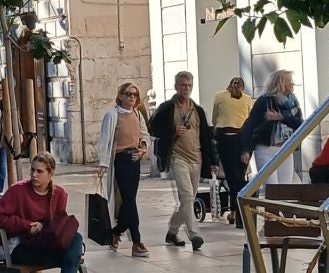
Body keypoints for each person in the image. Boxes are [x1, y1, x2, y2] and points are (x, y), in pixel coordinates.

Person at [148, 71, 217, 253]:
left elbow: (207, 137)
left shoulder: (198, 111)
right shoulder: (167, 108)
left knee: (189, 199)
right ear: (176, 86)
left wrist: (213, 160)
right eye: (182, 85)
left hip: (197, 158)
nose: (186, 88)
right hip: (178, 158)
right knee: (187, 196)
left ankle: (172, 231)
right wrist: (172, 130)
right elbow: (151, 127)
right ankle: (194, 235)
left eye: (189, 85)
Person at [96, 82, 150, 258]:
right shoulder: (112, 115)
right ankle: (136, 241)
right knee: (129, 200)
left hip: (135, 159)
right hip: (120, 159)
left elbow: (144, 135)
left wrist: (143, 148)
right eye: (128, 94)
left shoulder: (137, 114)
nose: (132, 97)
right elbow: (105, 139)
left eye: (135, 94)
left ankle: (116, 231)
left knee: (130, 200)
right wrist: (103, 164)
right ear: (120, 95)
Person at [244, 69, 304, 187]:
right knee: (272, 187)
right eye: (289, 82)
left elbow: (300, 124)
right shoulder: (264, 101)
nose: (292, 85)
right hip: (266, 149)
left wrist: (282, 117)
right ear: (280, 84)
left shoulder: (293, 102)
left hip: (285, 148)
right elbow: (250, 125)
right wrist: (246, 150)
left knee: (285, 189)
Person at [211, 76, 254, 222]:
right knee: (239, 177)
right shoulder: (248, 99)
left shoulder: (219, 96)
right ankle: (236, 210)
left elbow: (214, 119)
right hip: (241, 140)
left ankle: (235, 211)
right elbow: (249, 120)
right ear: (242, 87)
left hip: (225, 140)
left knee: (232, 177)